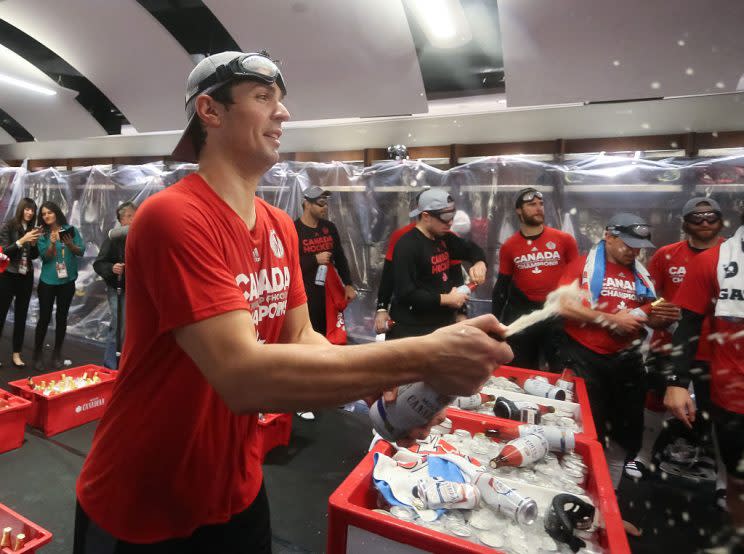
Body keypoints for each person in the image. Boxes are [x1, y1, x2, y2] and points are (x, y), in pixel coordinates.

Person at [73, 51, 512, 553]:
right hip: (143, 497)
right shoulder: (173, 216)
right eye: (263, 99)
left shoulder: (278, 225)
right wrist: (424, 354)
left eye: (281, 102)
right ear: (210, 111)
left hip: (236, 486)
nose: (283, 114)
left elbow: (300, 337)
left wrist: (384, 384)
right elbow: (242, 376)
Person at [556, 213, 679, 492]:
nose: (634, 252)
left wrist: (660, 318)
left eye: (638, 247)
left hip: (627, 361)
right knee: (585, 433)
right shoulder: (583, 265)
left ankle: (608, 506)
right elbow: (562, 306)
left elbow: (648, 312)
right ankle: (577, 501)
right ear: (609, 237)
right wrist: (611, 319)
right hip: (585, 356)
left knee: (623, 439)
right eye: (628, 244)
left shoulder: (640, 273)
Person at [664, 211, 744, 551]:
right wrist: (677, 381)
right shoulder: (713, 261)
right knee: (739, 477)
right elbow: (688, 324)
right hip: (734, 390)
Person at [634, 198, 725, 488]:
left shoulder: (734, 254)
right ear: (685, 223)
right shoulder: (665, 255)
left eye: (711, 216)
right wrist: (658, 315)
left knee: (721, 413)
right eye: (696, 217)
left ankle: (724, 480)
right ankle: (644, 455)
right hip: (670, 344)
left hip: (718, 350)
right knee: (656, 399)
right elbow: (650, 296)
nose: (704, 222)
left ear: (721, 220)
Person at [492, 187, 578, 370]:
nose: (539, 208)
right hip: (524, 315)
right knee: (521, 370)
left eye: (541, 204)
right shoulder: (509, 246)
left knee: (561, 370)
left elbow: (578, 279)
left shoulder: (565, 240)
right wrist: (495, 323)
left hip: (556, 315)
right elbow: (501, 287)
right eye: (532, 205)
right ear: (519, 210)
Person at [387, 188, 487, 339]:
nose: (450, 222)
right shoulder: (407, 245)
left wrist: (480, 263)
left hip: (441, 324)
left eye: (452, 215)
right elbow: (406, 293)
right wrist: (447, 299)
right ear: (426, 216)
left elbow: (471, 249)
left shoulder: (444, 238)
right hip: (413, 329)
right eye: (445, 217)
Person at [375, 208, 468, 335]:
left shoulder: (449, 237)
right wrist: (381, 308)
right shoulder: (402, 237)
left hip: (442, 317)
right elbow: (389, 274)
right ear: (426, 216)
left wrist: (461, 312)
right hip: (409, 318)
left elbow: (456, 276)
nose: (449, 222)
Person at [294, 185, 356, 337]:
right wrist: (314, 259)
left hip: (329, 293)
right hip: (306, 294)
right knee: (311, 335)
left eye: (326, 203)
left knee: (332, 333)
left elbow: (340, 258)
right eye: (321, 203)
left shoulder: (329, 227)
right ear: (307, 204)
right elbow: (289, 266)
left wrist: (348, 284)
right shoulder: (294, 229)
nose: (325, 207)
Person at [33, 201, 84, 371]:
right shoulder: (42, 234)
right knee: (44, 318)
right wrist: (53, 243)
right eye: (44, 214)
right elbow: (45, 258)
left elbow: (81, 251)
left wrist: (70, 244)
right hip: (48, 281)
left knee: (62, 318)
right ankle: (37, 353)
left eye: (50, 212)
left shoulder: (70, 230)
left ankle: (57, 353)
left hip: (67, 282)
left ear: (56, 213)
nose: (47, 216)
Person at [93, 201, 137, 369]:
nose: (135, 219)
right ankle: (111, 367)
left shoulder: (142, 236)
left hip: (139, 291)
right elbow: (98, 264)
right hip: (120, 290)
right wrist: (112, 268)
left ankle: (129, 365)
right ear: (122, 219)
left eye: (136, 215)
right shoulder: (114, 238)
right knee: (119, 326)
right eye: (131, 216)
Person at [0, 198, 41, 368]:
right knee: (1, 314)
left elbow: (34, 256)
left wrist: (33, 245)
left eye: (32, 210)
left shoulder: (34, 228)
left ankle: (17, 353)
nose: (30, 213)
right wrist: (22, 240)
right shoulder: (8, 226)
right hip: (8, 275)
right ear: (21, 209)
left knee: (21, 315)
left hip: (26, 275)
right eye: (27, 209)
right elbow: (4, 251)